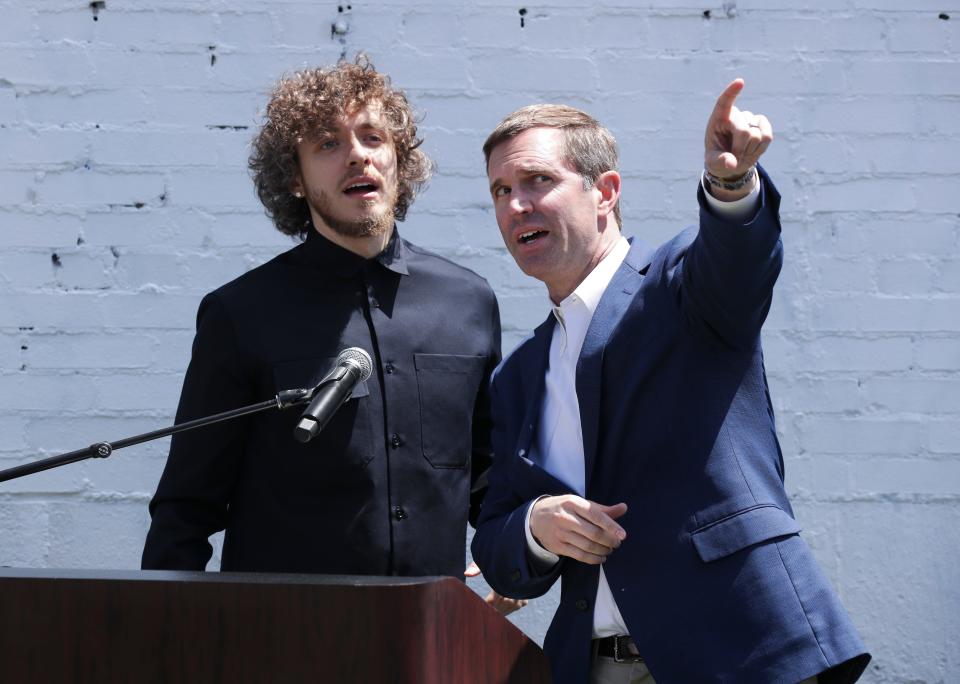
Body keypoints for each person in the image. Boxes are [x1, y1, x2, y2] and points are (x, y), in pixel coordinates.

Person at [471, 80, 871, 682]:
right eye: (501, 190)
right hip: (595, 666)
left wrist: (731, 186)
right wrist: (537, 526)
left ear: (604, 191)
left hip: (738, 650)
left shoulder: (681, 283)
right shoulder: (519, 375)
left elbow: (737, 257)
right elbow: (498, 540)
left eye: (537, 181)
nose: (516, 205)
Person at [142, 57, 515, 611]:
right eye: (327, 144)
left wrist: (517, 563)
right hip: (284, 640)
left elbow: (487, 473)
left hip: (432, 636)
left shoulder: (468, 301)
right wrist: (165, 637)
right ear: (294, 178)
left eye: (372, 137)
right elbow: (187, 505)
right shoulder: (239, 313)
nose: (358, 154)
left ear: (398, 160)